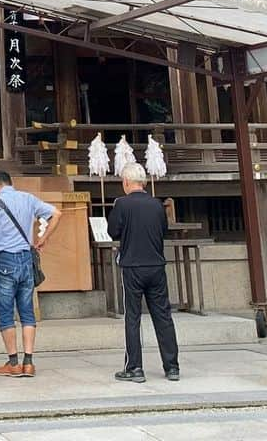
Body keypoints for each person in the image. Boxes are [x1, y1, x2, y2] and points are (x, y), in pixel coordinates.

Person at [0, 170, 63, 377]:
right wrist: (43, 238)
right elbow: (56, 213)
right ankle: (29, 362)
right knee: (27, 311)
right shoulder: (28, 198)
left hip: (5, 260)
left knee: (5, 312)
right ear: (10, 183)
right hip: (26, 259)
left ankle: (13, 362)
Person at [107, 162, 180, 383]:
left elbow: (112, 231)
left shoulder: (122, 204)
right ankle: (172, 367)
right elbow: (163, 230)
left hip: (132, 266)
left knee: (133, 316)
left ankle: (135, 367)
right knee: (163, 315)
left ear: (127, 182)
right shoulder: (157, 205)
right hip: (156, 265)